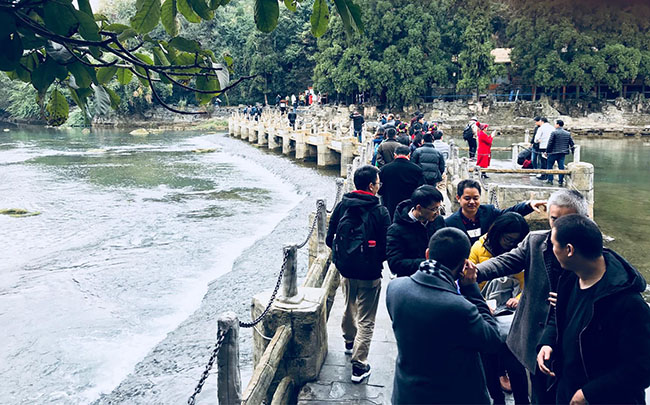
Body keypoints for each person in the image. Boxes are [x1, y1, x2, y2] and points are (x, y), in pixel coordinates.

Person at [469, 189, 589, 404]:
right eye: (554, 219)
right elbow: (506, 261)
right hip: (533, 335)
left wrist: (573, 300)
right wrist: (476, 272)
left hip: (571, 342)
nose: (559, 227)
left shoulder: (591, 252)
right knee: (537, 391)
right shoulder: (536, 241)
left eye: (566, 220)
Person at [537, 214, 650, 404]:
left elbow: (642, 369)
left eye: (554, 245)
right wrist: (548, 343)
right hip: (567, 391)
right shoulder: (569, 279)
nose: (551, 249)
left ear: (569, 250)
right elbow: (559, 318)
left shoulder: (630, 304)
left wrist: (589, 394)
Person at [386, 228, 503, 404]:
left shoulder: (395, 288)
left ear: (427, 254)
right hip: (452, 396)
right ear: (464, 264)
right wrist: (472, 290)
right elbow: (493, 339)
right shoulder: (460, 307)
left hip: (407, 394)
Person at [325, 165, 391, 383]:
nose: (379, 186)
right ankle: (359, 365)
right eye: (378, 182)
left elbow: (329, 237)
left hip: (346, 269)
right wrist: (375, 259)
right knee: (367, 319)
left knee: (348, 305)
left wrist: (343, 256)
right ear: (371, 186)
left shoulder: (343, 205)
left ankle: (348, 342)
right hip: (370, 272)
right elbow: (387, 243)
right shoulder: (380, 211)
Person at [469, 213, 531, 405]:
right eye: (508, 239)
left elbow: (529, 283)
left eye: (517, 241)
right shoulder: (478, 249)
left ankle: (522, 401)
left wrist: (519, 298)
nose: (512, 245)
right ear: (498, 234)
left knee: (515, 364)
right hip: (486, 314)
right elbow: (468, 283)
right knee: (489, 363)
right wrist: (482, 303)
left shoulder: (523, 252)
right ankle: (497, 399)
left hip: (512, 318)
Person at [445, 179, 545, 245]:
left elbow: (508, 213)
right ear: (458, 198)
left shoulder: (489, 212)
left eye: (475, 198)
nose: (472, 202)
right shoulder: (450, 223)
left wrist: (528, 205)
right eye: (467, 198)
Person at [386, 185, 445, 277]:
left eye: (439, 208)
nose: (437, 213)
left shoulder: (438, 220)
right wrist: (426, 262)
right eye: (434, 209)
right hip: (411, 280)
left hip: (437, 277)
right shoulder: (396, 230)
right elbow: (395, 264)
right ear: (419, 208)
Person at [378, 145, 423, 220]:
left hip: (389, 203)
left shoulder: (384, 169)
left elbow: (380, 189)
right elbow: (421, 189)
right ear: (409, 155)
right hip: (409, 205)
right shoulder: (417, 169)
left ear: (395, 155)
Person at [545, 119, 574, 186]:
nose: (554, 125)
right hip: (562, 153)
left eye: (555, 124)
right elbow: (571, 143)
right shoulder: (567, 133)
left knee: (549, 166)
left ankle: (550, 180)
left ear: (558, 125)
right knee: (561, 167)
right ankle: (560, 181)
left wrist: (547, 151)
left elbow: (550, 143)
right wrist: (573, 152)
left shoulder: (554, 133)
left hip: (553, 152)